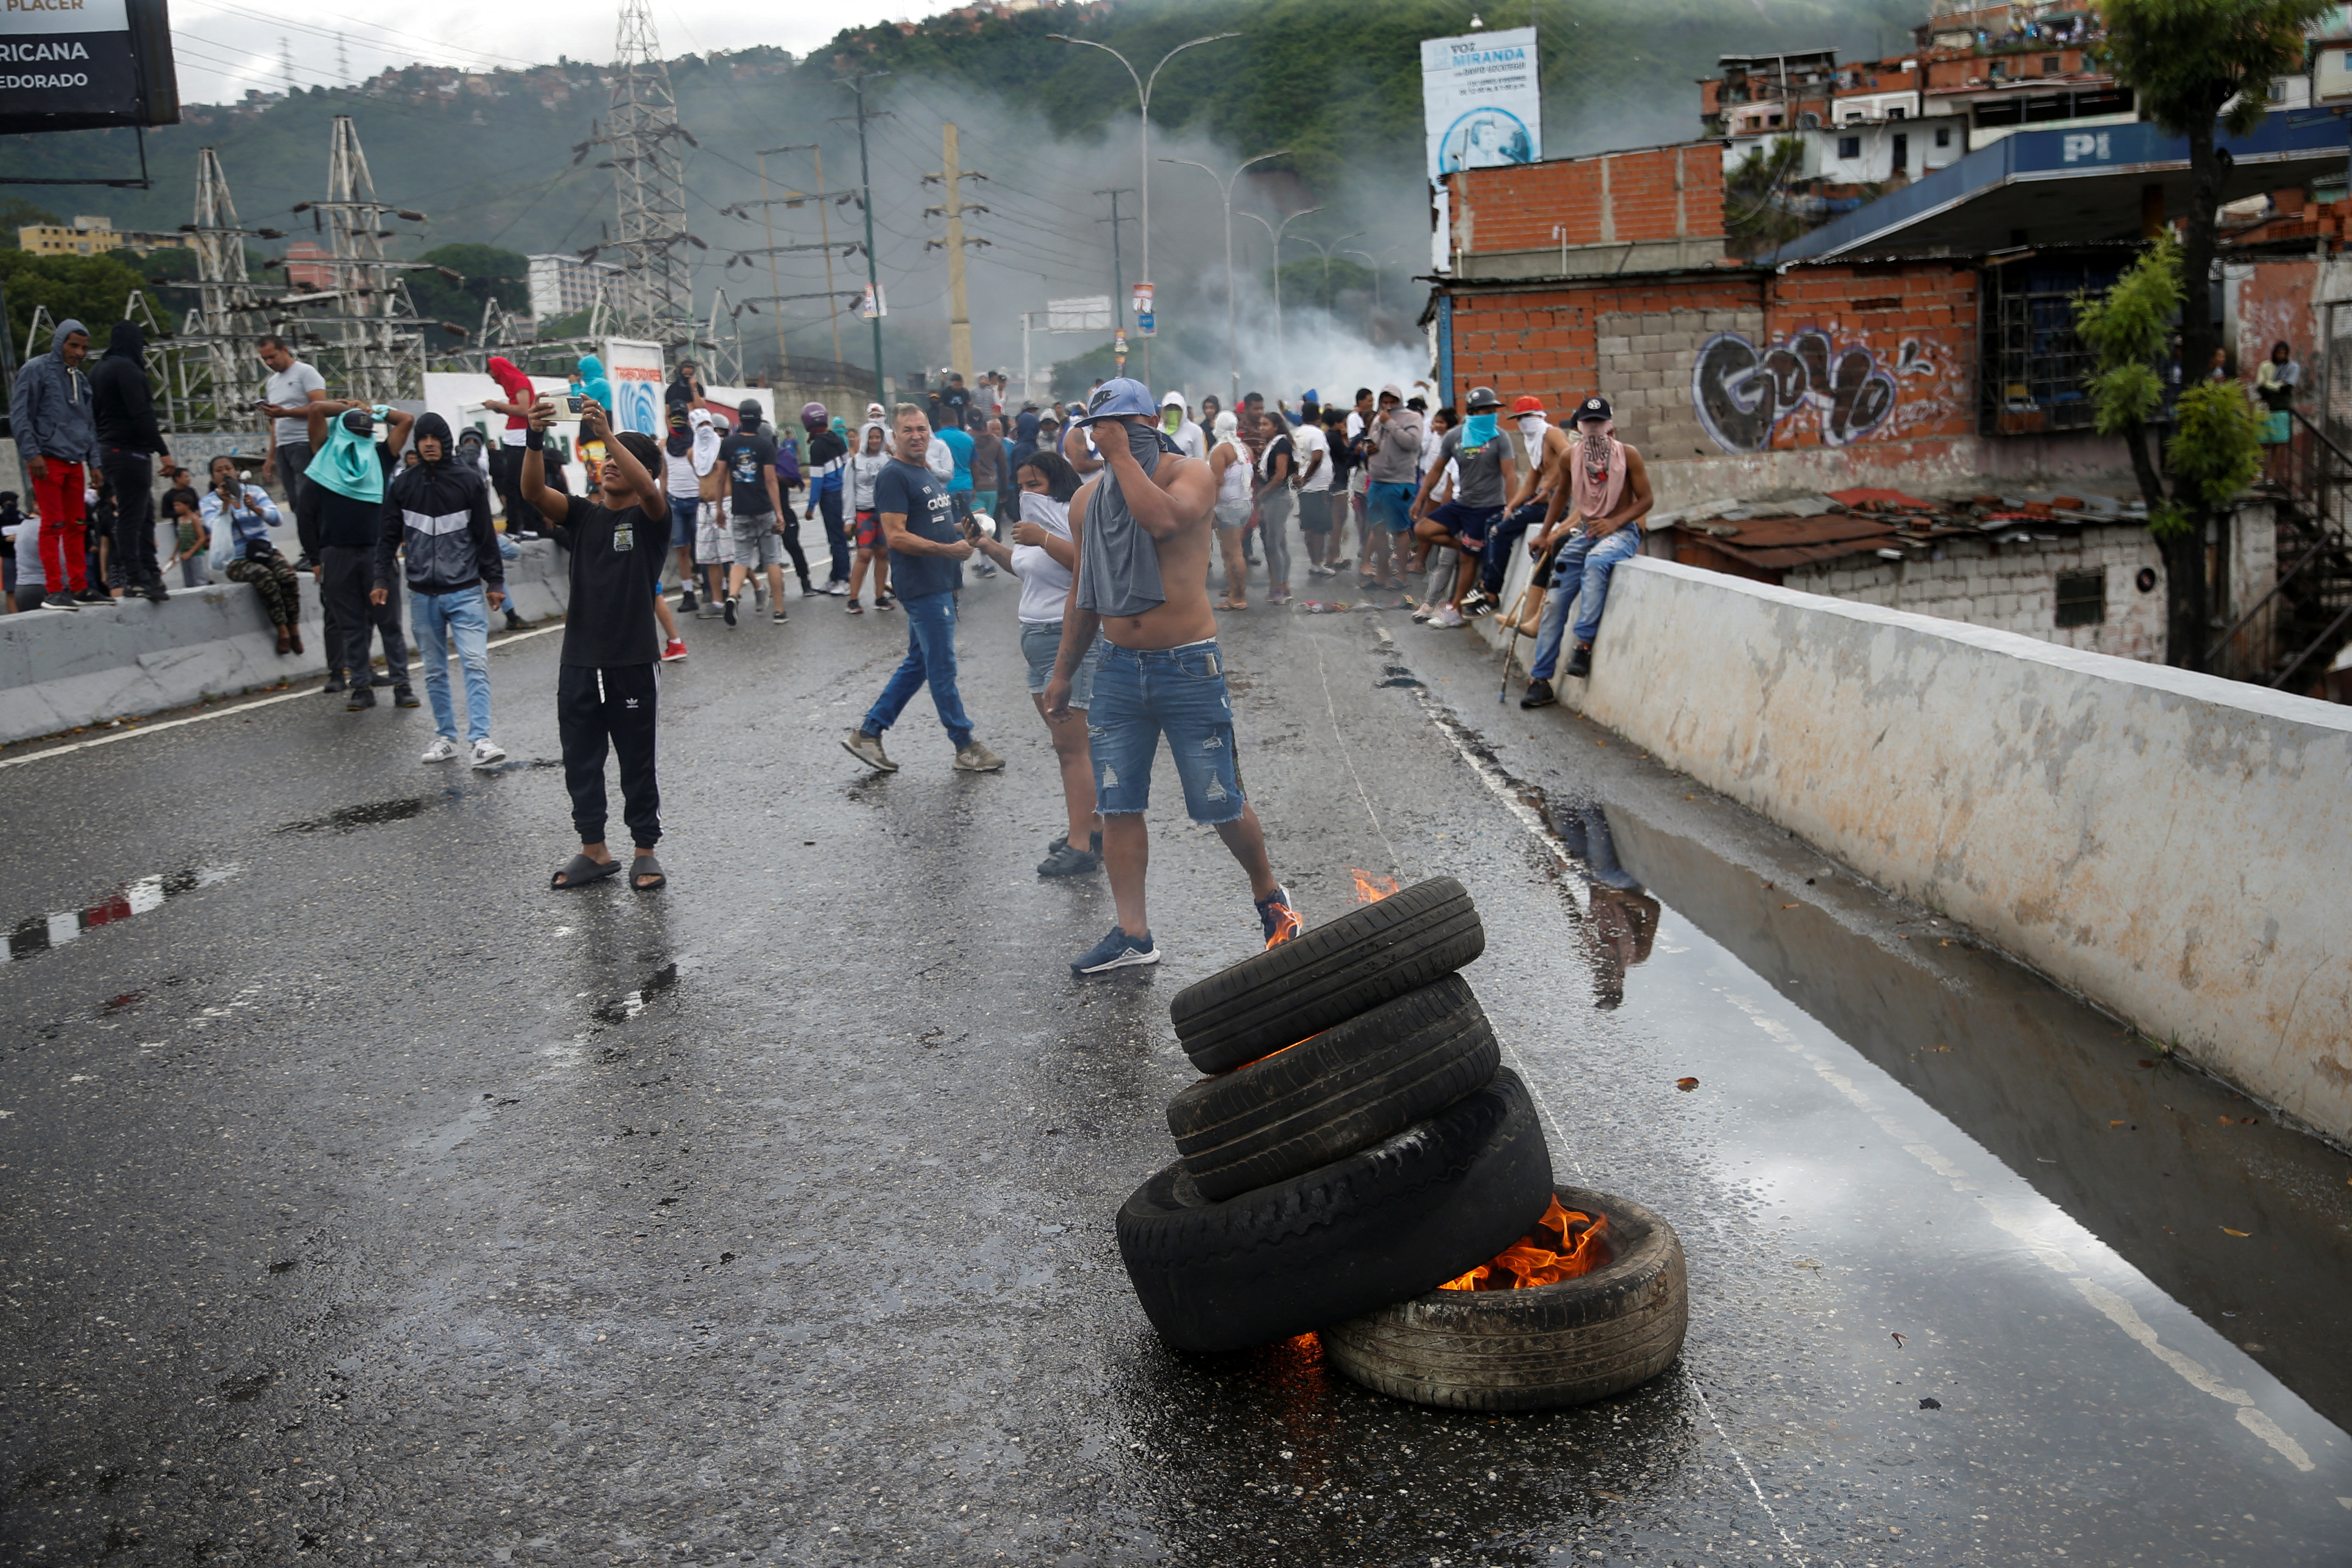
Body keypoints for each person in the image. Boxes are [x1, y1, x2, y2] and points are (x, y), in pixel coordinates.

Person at [1044, 377, 1298, 975]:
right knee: (1118, 803)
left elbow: (1160, 523)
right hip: (1115, 669)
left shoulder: (1190, 474)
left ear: (1153, 421)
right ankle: (1133, 934)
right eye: (1101, 430)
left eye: (1127, 427)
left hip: (1186, 664)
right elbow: (1083, 594)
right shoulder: (1086, 503)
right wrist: (1062, 673)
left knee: (1218, 800)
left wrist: (1122, 457)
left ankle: (1269, 895)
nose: (1112, 440)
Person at [523, 397, 670, 892]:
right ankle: (595, 850)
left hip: (630, 662)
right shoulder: (584, 516)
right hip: (580, 662)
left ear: (644, 470)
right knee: (580, 759)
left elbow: (650, 490)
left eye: (619, 458)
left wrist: (608, 435)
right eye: (605, 458)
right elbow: (531, 491)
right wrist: (534, 436)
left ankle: (644, 851)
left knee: (635, 759)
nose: (608, 463)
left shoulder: (652, 519)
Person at [839, 403, 1003, 775]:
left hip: (940, 580)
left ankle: (868, 734)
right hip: (923, 586)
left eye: (922, 428)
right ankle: (965, 745)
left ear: (930, 432)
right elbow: (896, 536)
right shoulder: (894, 476)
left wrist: (965, 529)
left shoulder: (924, 472)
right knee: (942, 665)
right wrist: (949, 549)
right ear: (895, 437)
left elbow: (933, 521)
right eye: (908, 430)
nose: (916, 435)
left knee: (919, 663)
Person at [969, 447, 1104, 876]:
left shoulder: (1071, 515)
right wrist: (988, 546)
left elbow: (1089, 566)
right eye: (1022, 485)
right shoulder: (1032, 526)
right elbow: (1028, 569)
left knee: (1072, 747)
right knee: (1067, 745)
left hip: (1071, 639)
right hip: (1035, 640)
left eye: (1036, 484)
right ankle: (1091, 827)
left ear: (1056, 482)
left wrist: (1043, 538)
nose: (1028, 493)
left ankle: (1081, 844)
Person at [374, 412, 508, 768]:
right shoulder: (403, 485)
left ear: (446, 442)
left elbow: (485, 537)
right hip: (422, 595)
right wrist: (380, 579)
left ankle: (481, 740)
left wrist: (495, 582)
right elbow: (387, 536)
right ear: (416, 443)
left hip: (464, 591)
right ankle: (445, 738)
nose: (429, 443)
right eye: (423, 438)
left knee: (475, 663)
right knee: (434, 670)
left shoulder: (468, 481)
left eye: (436, 438)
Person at [1522, 396, 1652, 704]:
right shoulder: (1571, 457)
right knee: (1555, 598)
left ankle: (1583, 645)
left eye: (1600, 423)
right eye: (1588, 423)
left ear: (1610, 426)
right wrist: (1544, 534)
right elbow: (1560, 495)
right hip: (1587, 532)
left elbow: (1646, 499)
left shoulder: (1628, 455)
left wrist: (1616, 521)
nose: (1594, 429)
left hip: (1621, 533)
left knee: (1596, 563)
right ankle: (1540, 679)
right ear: (1581, 426)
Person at [300, 399, 416, 709]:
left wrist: (371, 410)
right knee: (354, 626)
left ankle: (401, 684)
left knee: (387, 623)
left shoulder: (375, 456)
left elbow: (406, 419)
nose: (361, 441)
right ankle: (363, 686)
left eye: (367, 434)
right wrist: (355, 407)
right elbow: (315, 411)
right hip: (338, 553)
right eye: (359, 432)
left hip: (375, 553)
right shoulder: (331, 455)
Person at [10, 318, 108, 610]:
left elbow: (89, 423)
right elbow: (20, 416)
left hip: (74, 461)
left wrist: (95, 462)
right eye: (73, 345)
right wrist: (32, 453)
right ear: (59, 342)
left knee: (78, 525)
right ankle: (55, 591)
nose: (78, 352)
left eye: (84, 348)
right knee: (52, 525)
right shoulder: (36, 370)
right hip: (46, 460)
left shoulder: (81, 379)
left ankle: (80, 587)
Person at [1409, 386, 1514, 628]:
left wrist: (1511, 507)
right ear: (1472, 412)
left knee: (1466, 560)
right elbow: (1436, 470)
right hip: (1462, 504)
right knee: (1423, 530)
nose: (1490, 414)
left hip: (1488, 507)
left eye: (1493, 411)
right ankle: (1472, 548)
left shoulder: (1500, 437)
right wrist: (1420, 499)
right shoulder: (1455, 437)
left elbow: (1510, 475)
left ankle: (1455, 609)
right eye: (1485, 411)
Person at [89, 319, 173, 603]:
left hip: (107, 451)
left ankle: (149, 574)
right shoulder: (129, 369)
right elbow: (142, 414)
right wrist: (163, 450)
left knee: (142, 514)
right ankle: (138, 578)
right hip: (130, 452)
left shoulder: (97, 370)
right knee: (133, 517)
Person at [202, 455, 303, 652]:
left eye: (228, 469)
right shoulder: (209, 502)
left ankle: (295, 628)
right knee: (264, 577)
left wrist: (255, 508)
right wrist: (225, 505)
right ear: (213, 477)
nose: (225, 473)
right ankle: (281, 630)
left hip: (264, 551)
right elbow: (214, 528)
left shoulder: (255, 492)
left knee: (288, 576)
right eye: (219, 470)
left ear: (236, 472)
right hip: (236, 559)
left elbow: (276, 519)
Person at [1484, 395, 1571, 616]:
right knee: (1492, 523)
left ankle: (1492, 592)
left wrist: (1549, 486)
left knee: (1498, 532)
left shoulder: (1552, 434)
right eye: (1519, 419)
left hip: (1556, 503)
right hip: (1539, 499)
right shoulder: (1533, 442)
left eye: (1527, 417)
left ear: (1539, 416)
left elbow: (1571, 460)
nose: (1523, 423)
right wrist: (1512, 506)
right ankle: (1485, 583)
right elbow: (1531, 483)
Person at [716, 401, 789, 626]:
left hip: (739, 510)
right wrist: (779, 513)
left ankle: (732, 595)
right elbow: (770, 480)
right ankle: (778, 611)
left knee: (741, 559)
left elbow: (721, 477)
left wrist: (719, 508)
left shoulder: (728, 444)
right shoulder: (765, 445)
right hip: (764, 508)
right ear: (759, 419)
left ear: (740, 419)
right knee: (772, 560)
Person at [255, 334, 329, 514]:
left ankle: (320, 538)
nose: (270, 362)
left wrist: (286, 413)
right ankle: (307, 538)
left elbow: (321, 408)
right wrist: (271, 456)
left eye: (273, 356)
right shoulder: (272, 383)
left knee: (309, 498)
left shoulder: (305, 372)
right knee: (295, 501)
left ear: (285, 350)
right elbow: (275, 423)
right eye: (265, 359)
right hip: (284, 447)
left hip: (305, 442)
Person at [660, 404, 715, 610]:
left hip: (697, 500)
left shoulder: (698, 444)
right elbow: (663, 476)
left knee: (702, 548)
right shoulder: (664, 445)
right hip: (675, 502)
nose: (677, 420)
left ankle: (709, 588)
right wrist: (660, 501)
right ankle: (688, 594)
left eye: (681, 416)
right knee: (682, 548)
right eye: (673, 416)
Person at [843, 418, 895, 613]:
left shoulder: (888, 460)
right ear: (865, 439)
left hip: (884, 513)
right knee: (864, 555)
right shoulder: (855, 462)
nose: (874, 441)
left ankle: (880, 596)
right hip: (864, 513)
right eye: (871, 437)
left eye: (878, 437)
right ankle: (853, 599)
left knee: (883, 554)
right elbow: (848, 492)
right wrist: (849, 520)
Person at [801, 402, 853, 593]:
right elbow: (849, 467)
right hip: (844, 494)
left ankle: (844, 580)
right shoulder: (837, 439)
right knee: (838, 538)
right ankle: (835, 576)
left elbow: (817, 479)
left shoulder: (817, 447)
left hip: (830, 497)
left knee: (837, 539)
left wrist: (811, 506)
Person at [1208, 411, 1253, 609]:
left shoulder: (1221, 451)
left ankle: (1238, 597)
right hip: (1244, 504)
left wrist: (1210, 509)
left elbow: (1217, 482)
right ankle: (1236, 590)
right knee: (1233, 551)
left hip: (1228, 506)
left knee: (1232, 552)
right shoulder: (1244, 448)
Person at [1251, 409, 1295, 606]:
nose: (1262, 428)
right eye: (1260, 424)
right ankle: (1283, 584)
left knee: (1274, 544)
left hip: (1277, 497)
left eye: (1266, 424)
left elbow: (1280, 475)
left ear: (1276, 427)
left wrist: (1264, 493)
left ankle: (1279, 588)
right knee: (1280, 543)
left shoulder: (1282, 444)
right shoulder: (1273, 445)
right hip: (1274, 498)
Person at [1290, 404, 1332, 595]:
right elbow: (1317, 457)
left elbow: (1295, 459)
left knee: (1309, 527)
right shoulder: (1316, 433)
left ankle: (1315, 563)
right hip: (1316, 488)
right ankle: (1318, 564)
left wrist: (1299, 477)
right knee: (1318, 529)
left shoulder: (1296, 433)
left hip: (1305, 488)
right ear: (1318, 418)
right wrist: (1307, 478)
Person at [2256, 339, 2300, 486]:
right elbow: (2260, 388)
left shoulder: (2292, 367)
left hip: (2281, 409)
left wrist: (2268, 385)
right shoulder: (2266, 366)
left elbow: (2286, 389)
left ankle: (2271, 473)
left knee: (2279, 442)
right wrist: (2277, 386)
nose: (2281, 355)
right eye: (2279, 352)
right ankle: (2258, 472)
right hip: (2265, 409)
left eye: (2284, 353)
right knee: (2261, 441)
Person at [167, 489, 210, 589]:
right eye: (175, 506)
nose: (176, 508)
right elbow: (180, 538)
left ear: (187, 505)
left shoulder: (194, 519)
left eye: (179, 505)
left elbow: (202, 538)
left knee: (199, 580)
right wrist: (174, 555)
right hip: (184, 554)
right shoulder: (180, 520)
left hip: (195, 554)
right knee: (189, 582)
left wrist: (191, 552)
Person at [1161, 391, 1207, 462]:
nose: (1173, 412)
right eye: (1169, 409)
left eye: (1176, 409)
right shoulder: (1157, 430)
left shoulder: (1195, 430)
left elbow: (1200, 460)